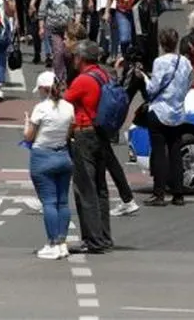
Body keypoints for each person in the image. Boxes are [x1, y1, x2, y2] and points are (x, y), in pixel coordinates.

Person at [62, 40, 114, 254]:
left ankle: (92, 239)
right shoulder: (103, 76)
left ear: (81, 58)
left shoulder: (82, 80)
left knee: (85, 188)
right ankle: (103, 235)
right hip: (101, 133)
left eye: (75, 56)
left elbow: (64, 101)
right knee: (100, 187)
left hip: (84, 133)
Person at [138, 28, 193, 206]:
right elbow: (189, 81)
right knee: (176, 152)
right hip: (177, 111)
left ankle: (159, 193)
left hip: (160, 110)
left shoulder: (160, 62)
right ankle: (179, 193)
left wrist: (144, 79)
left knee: (160, 153)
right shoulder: (185, 62)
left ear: (162, 43)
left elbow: (153, 88)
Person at [24, 70, 74, 260]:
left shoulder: (41, 109)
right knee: (62, 201)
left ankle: (52, 243)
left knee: (49, 202)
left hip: (42, 157)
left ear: (44, 89)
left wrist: (27, 124)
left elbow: (29, 136)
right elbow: (70, 133)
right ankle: (61, 243)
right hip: (63, 155)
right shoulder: (68, 108)